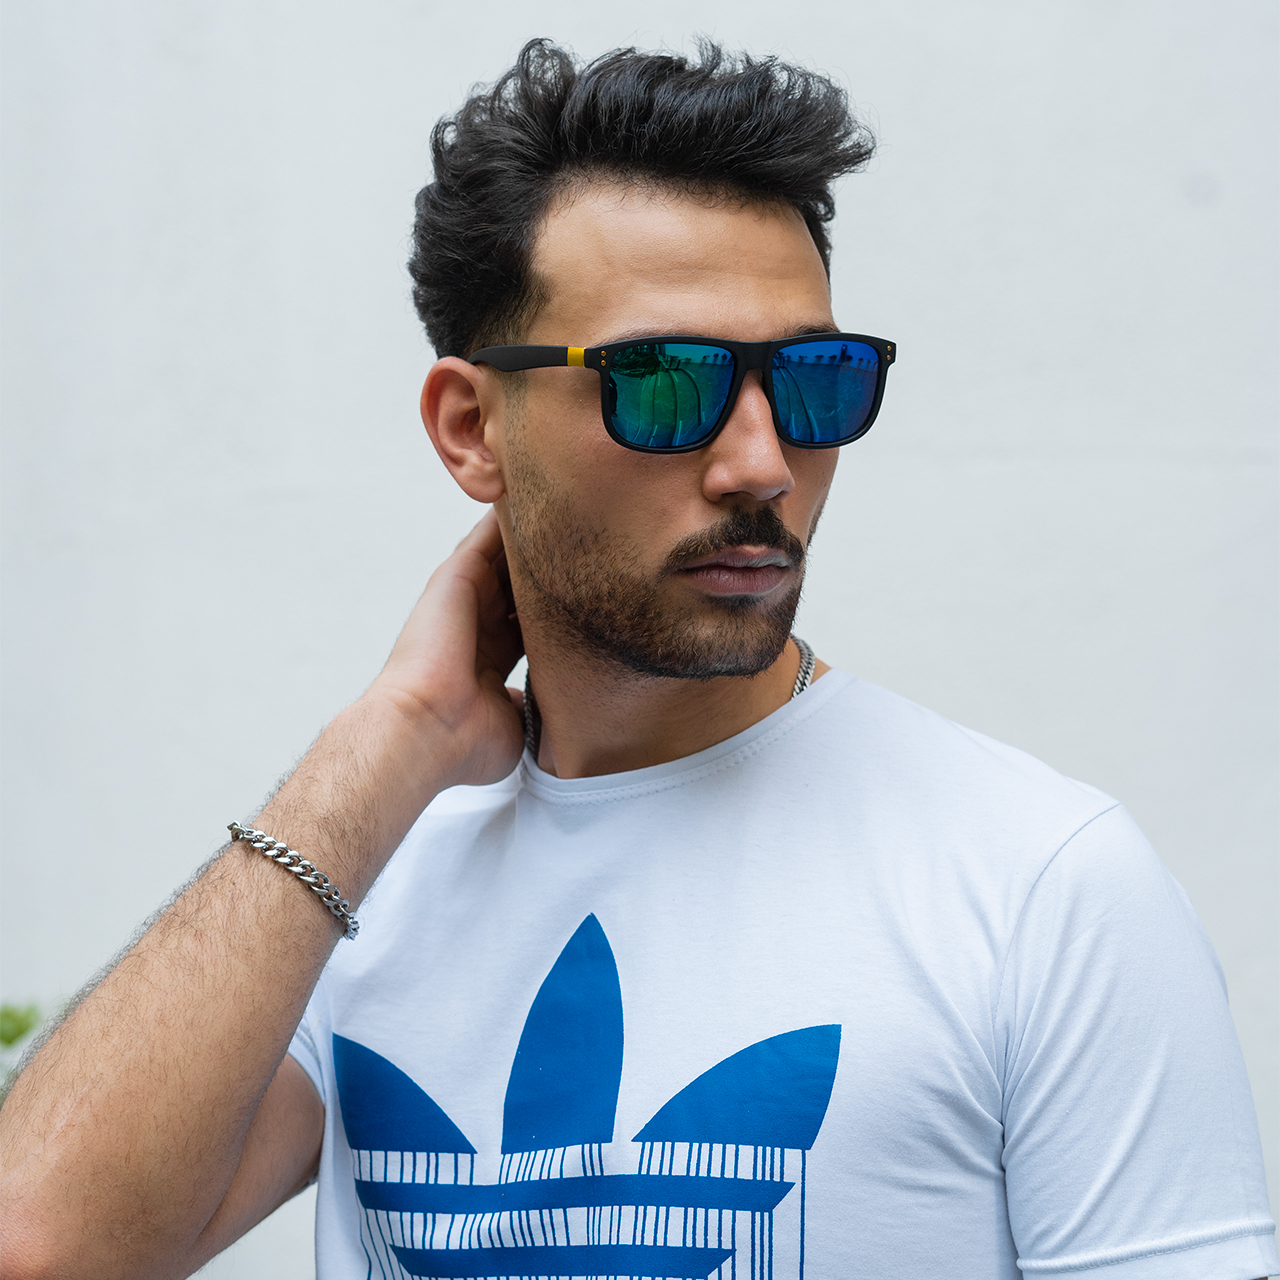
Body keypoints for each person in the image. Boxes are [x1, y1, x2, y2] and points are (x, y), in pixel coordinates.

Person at [0, 38, 1274, 1280]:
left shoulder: (1037, 882)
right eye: (663, 382)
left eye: (815, 379)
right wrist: (390, 736)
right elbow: (43, 1246)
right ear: (471, 426)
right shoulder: (364, 877)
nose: (761, 464)